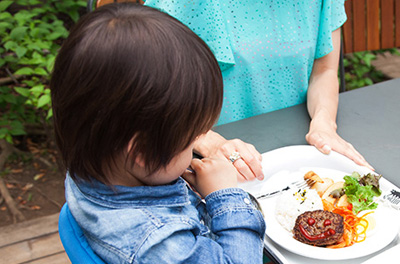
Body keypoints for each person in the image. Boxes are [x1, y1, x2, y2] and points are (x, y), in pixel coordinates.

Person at [50, 3, 267, 264]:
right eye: (191, 138)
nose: (198, 143)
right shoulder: (156, 241)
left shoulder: (95, 164)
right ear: (141, 154)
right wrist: (225, 196)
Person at [146, 0, 373, 179]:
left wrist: (324, 124)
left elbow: (323, 69)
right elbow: (153, 95)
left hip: (296, 149)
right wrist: (208, 141)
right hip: (213, 161)